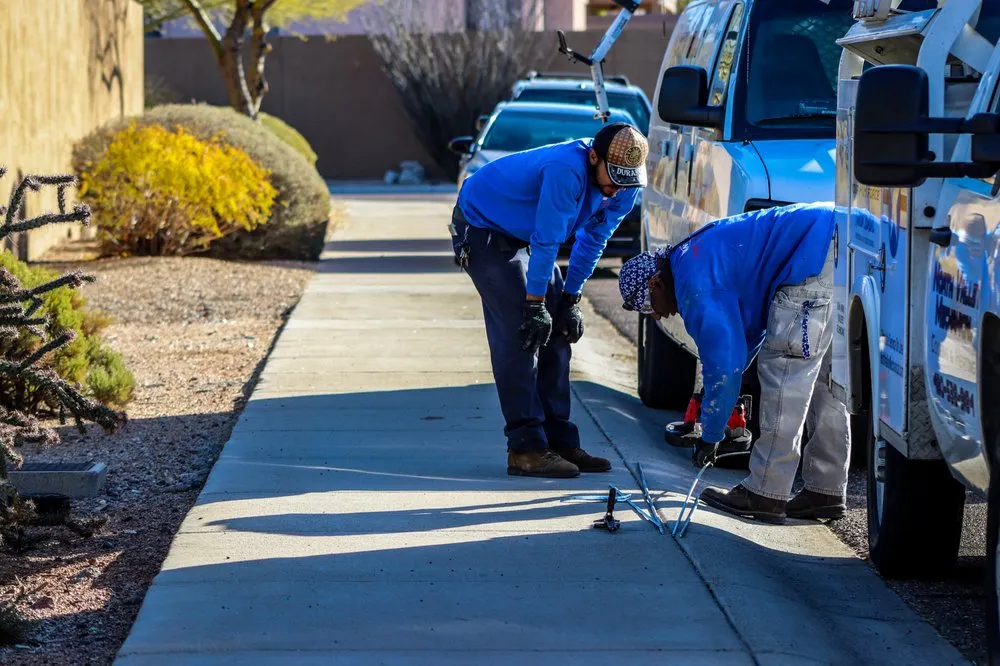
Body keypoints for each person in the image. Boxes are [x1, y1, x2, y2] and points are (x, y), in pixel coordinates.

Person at [617, 202, 850, 524]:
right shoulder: (692, 257)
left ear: (656, 282)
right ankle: (824, 491)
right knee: (827, 384)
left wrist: (710, 436)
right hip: (842, 241)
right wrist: (716, 401)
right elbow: (739, 348)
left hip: (810, 260)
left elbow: (725, 367)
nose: (657, 315)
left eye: (649, 306)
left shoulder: (694, 287)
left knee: (785, 374)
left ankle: (765, 493)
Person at [451, 122, 648, 478]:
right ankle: (526, 449)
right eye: (611, 176)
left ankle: (558, 440)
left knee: (558, 328)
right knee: (522, 332)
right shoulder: (566, 171)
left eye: (625, 180)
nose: (615, 188)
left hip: (523, 233)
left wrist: (570, 298)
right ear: (593, 157)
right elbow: (546, 242)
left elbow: (593, 241)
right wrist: (533, 305)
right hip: (483, 228)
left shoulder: (625, 186)